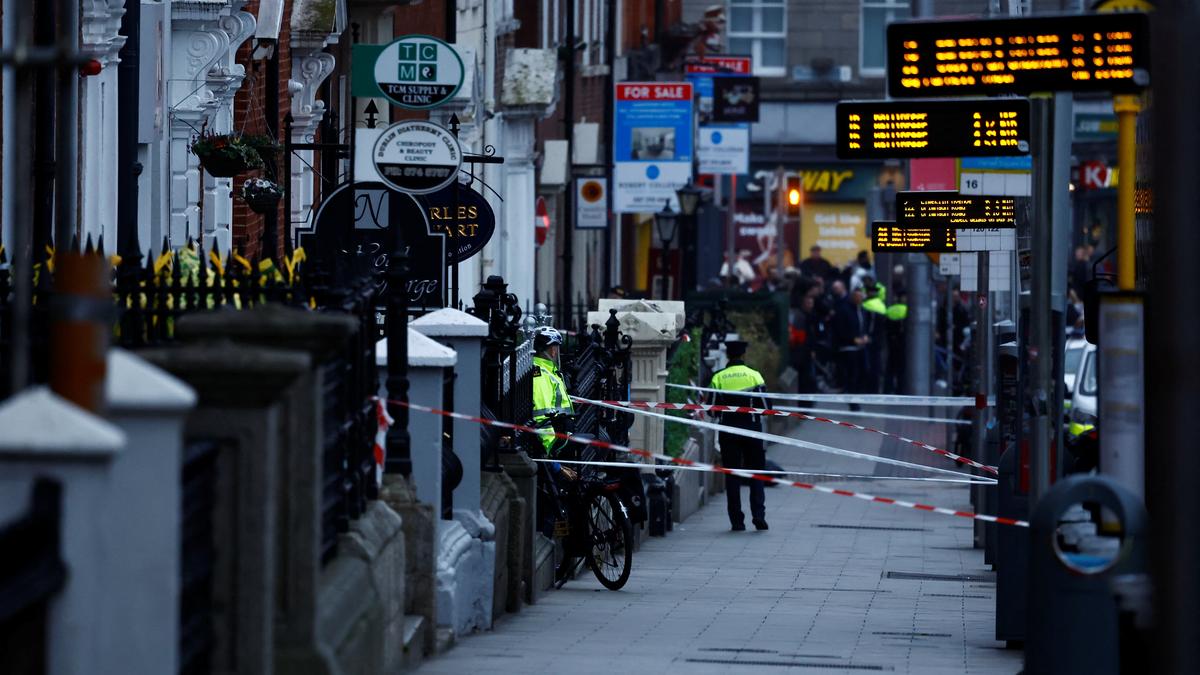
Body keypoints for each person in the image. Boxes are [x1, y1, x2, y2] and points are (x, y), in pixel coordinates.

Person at [709, 339, 769, 531]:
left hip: (728, 430)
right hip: (752, 429)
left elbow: (711, 409)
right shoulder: (755, 376)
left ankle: (737, 521)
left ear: (727, 355)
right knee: (757, 473)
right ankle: (758, 515)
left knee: (732, 475)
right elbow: (766, 407)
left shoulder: (718, 377)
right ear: (744, 355)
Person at [531, 327, 577, 478]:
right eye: (555, 347)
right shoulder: (541, 374)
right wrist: (550, 453)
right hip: (556, 445)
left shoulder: (548, 370)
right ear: (550, 350)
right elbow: (541, 416)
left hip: (561, 438)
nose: (556, 352)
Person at [831, 281, 868, 397]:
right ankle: (852, 397)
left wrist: (864, 336)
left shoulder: (861, 310)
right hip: (848, 347)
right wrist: (853, 339)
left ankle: (856, 394)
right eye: (857, 296)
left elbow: (863, 325)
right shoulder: (844, 310)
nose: (860, 299)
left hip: (860, 347)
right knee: (852, 373)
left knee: (862, 372)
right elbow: (840, 329)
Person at [860, 277, 887, 393]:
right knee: (876, 365)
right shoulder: (881, 304)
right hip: (879, 340)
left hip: (870, 340)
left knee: (869, 365)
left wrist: (868, 336)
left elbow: (868, 325)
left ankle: (869, 389)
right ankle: (874, 389)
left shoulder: (867, 305)